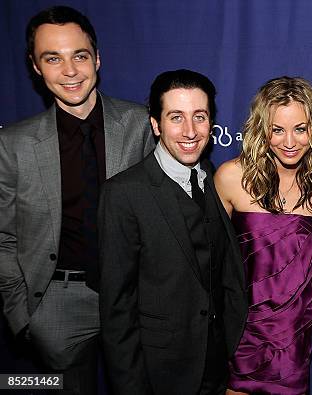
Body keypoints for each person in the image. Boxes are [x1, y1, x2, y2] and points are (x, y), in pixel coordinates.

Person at [0, 6, 154, 394]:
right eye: (53, 58)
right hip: (55, 303)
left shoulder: (142, 125)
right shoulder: (12, 144)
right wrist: (23, 316)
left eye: (79, 56)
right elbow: (2, 238)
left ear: (97, 59)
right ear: (35, 67)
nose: (69, 71)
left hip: (136, 298)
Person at [98, 69, 248, 394]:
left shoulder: (212, 177)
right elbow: (117, 309)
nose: (190, 131)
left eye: (200, 117)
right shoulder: (124, 194)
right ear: (155, 124)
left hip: (218, 363)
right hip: (162, 372)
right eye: (176, 117)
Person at [214, 76, 312, 394]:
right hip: (239, 327)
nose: (290, 141)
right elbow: (211, 254)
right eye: (277, 130)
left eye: (300, 129)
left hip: (291, 332)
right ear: (262, 130)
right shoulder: (231, 177)